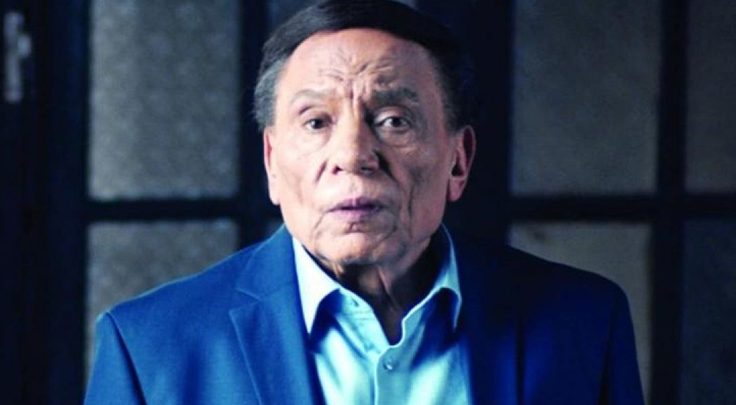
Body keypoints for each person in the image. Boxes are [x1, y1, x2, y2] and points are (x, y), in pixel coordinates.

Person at [85, 1, 644, 404]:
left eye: (394, 120)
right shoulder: (149, 348)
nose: (352, 155)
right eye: (316, 122)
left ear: (458, 159)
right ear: (272, 163)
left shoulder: (583, 322)